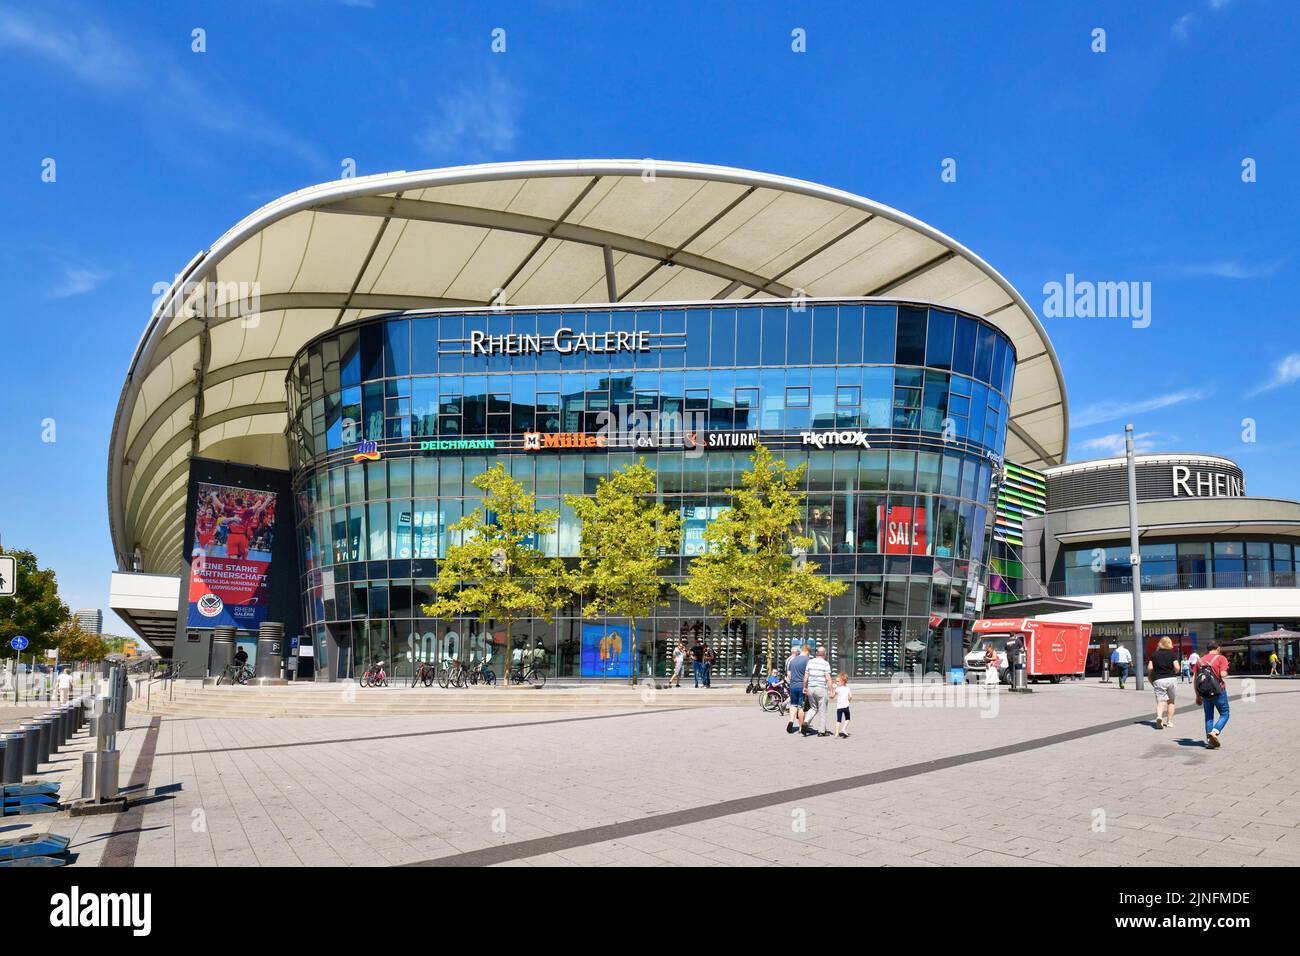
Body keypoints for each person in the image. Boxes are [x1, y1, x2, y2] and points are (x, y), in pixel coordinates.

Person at [1193, 639, 1231, 748]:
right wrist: (1225, 671)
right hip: (1219, 692)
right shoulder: (1221, 658)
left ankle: (1210, 742)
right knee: (1225, 713)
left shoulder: (1199, 661)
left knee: (1209, 717)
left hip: (1204, 693)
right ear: (1218, 648)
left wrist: (1197, 696)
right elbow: (1223, 674)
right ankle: (1214, 732)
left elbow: (1196, 680)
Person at [1147, 636, 1180, 730]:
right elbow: (1177, 668)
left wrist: (1151, 675)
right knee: (1171, 701)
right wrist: (1174, 672)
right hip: (1171, 679)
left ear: (1160, 643)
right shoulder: (1172, 654)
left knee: (1161, 701)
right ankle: (1169, 722)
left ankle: (1159, 717)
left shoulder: (1154, 654)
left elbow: (1150, 668)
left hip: (1159, 679)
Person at [803, 646, 834, 737]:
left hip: (811, 688)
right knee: (822, 710)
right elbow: (828, 678)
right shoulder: (825, 663)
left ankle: (805, 722)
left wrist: (804, 687)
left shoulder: (810, 662)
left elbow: (806, 677)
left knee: (813, 708)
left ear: (816, 653)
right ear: (824, 654)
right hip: (820, 688)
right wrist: (831, 690)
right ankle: (821, 731)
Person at [785, 644, 811, 735]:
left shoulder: (793, 659)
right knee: (801, 707)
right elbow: (808, 675)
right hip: (802, 686)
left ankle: (791, 720)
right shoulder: (807, 660)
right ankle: (800, 727)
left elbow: (788, 673)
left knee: (793, 705)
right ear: (807, 651)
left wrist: (793, 680)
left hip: (793, 685)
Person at [833, 672, 852, 739]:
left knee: (838, 720)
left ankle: (837, 733)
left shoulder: (837, 689)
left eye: (838, 681)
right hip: (846, 707)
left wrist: (831, 696)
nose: (836, 683)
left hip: (839, 707)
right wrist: (848, 700)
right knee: (847, 719)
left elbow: (833, 696)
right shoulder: (847, 688)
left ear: (843, 681)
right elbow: (850, 697)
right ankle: (844, 728)